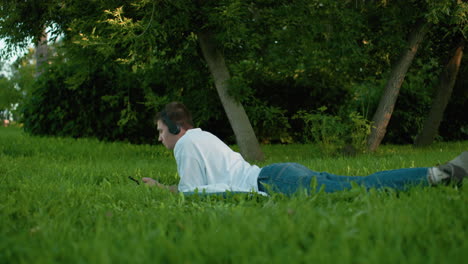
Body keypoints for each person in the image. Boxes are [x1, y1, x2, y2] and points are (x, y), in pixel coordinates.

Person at [142, 102, 468, 196]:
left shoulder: (184, 145)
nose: (160, 138)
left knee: (361, 187)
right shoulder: (203, 136)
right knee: (356, 184)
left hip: (274, 182)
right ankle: (438, 174)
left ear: (174, 128)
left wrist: (165, 191)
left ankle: (439, 175)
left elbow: (193, 193)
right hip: (280, 174)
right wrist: (164, 187)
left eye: (160, 131)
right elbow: (200, 187)